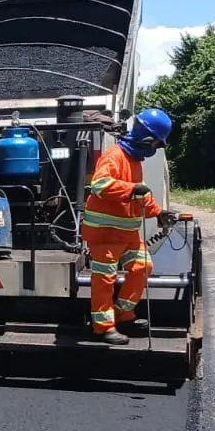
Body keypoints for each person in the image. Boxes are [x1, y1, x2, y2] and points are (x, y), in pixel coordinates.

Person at [82, 109, 179, 344]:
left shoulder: (135, 161)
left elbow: (141, 193)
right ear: (147, 139)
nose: (155, 148)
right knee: (105, 279)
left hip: (127, 234)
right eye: (156, 143)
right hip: (105, 234)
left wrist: (159, 212)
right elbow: (100, 185)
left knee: (143, 267)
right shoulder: (114, 156)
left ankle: (123, 314)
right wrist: (130, 190)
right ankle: (104, 327)